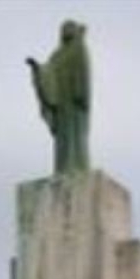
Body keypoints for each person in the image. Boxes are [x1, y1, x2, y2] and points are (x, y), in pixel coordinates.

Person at [26, 20, 91, 175]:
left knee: (76, 136)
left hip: (75, 102)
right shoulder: (57, 55)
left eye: (69, 28)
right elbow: (48, 71)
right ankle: (63, 167)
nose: (65, 31)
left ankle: (78, 165)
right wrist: (37, 69)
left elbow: (85, 72)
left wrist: (82, 94)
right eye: (63, 28)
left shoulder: (79, 48)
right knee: (62, 139)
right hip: (61, 102)